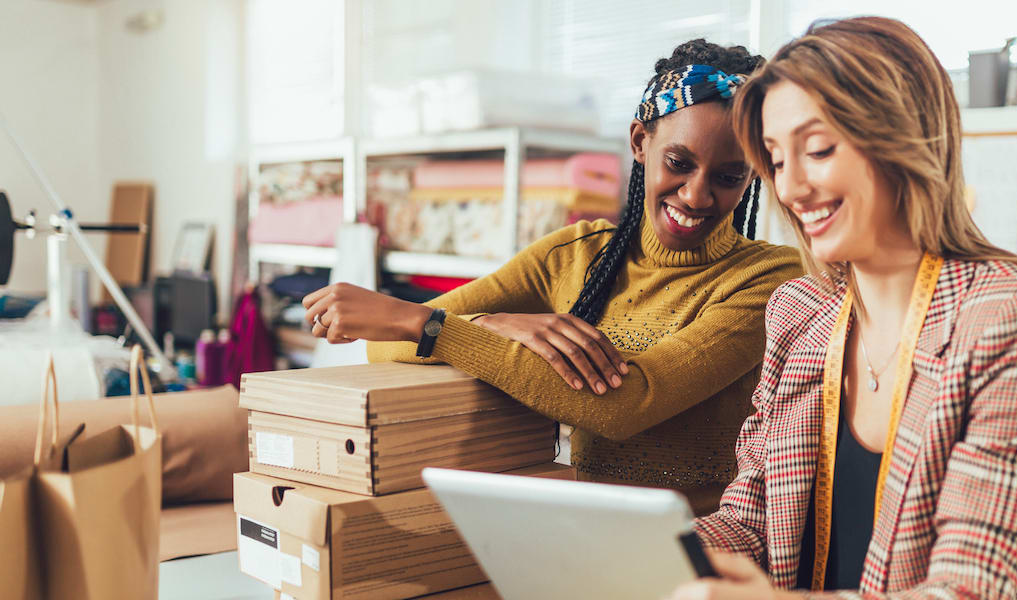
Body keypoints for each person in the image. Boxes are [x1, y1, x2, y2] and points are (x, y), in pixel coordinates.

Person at [672, 17, 1017, 598]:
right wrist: (653, 554)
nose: (791, 188)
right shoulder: (799, 312)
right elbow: (751, 522)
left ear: (903, 139)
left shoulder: (1016, 315)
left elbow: (971, 587)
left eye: (818, 149)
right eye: (777, 160)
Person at [301, 40, 802, 516]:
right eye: (679, 163)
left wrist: (431, 325)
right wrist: (490, 323)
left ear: (753, 174)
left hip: (703, 550)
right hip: (576, 532)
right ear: (639, 142)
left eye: (728, 177)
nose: (696, 195)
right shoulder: (575, 253)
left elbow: (628, 403)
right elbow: (385, 343)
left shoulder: (769, 279)